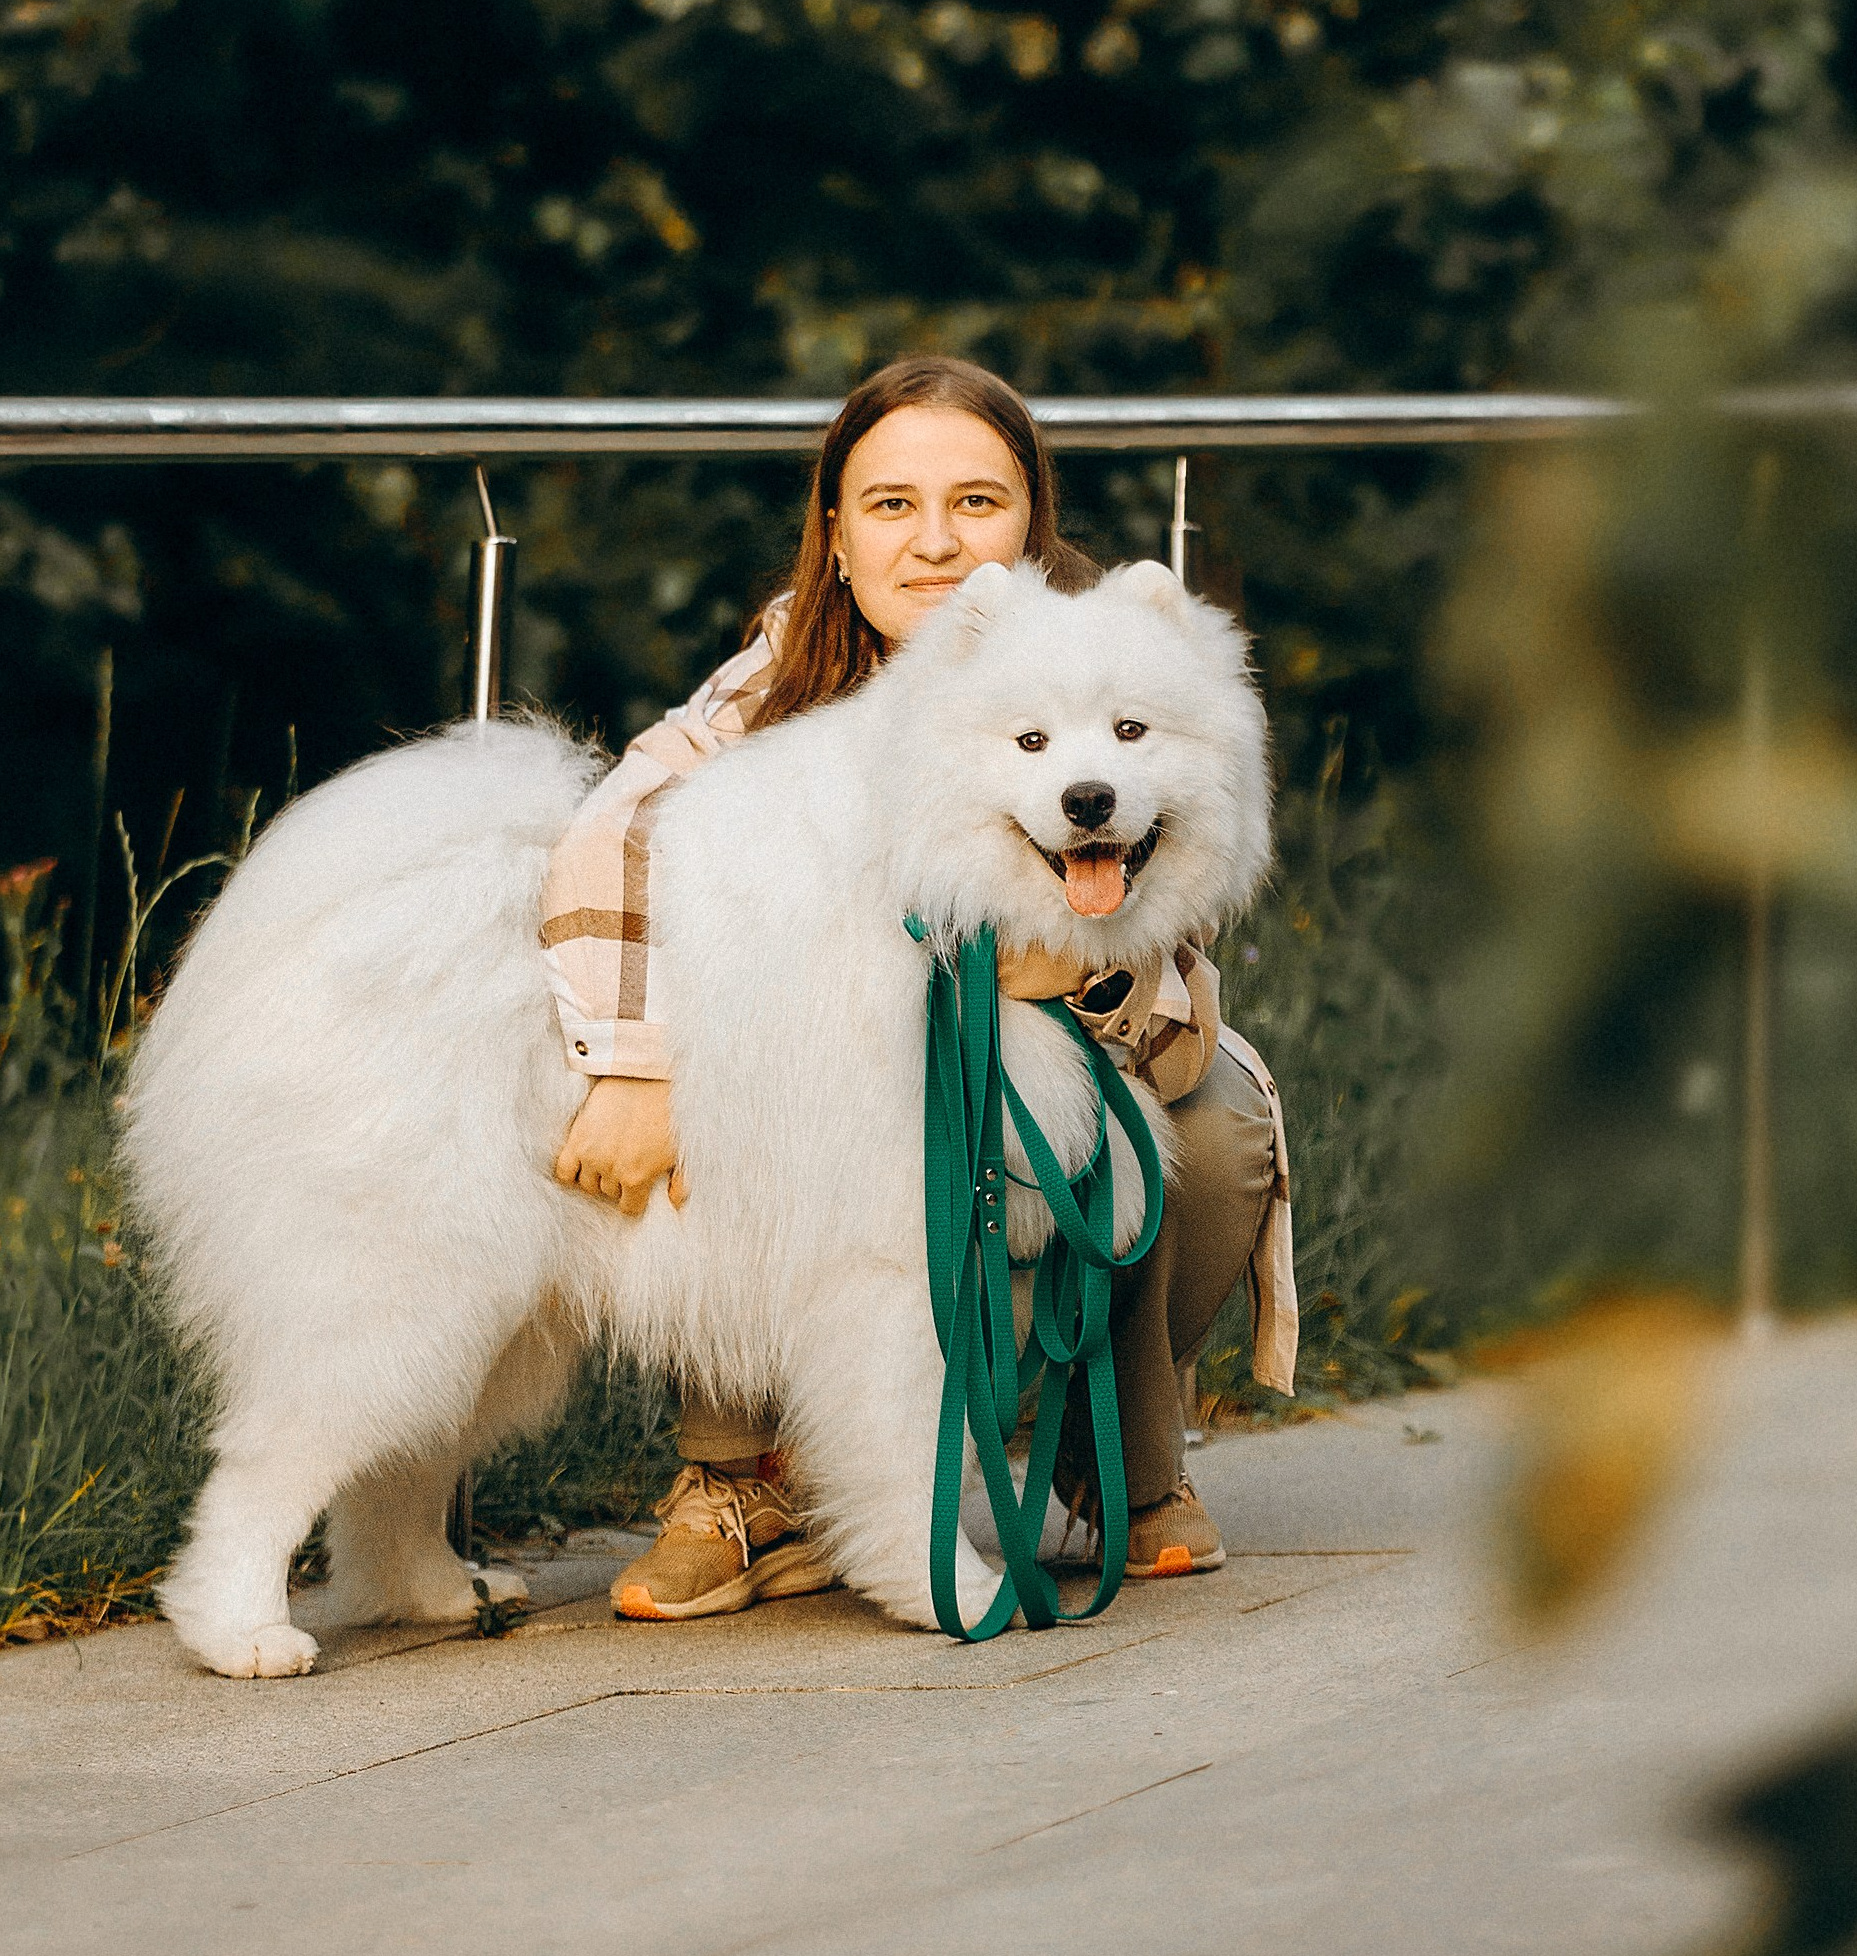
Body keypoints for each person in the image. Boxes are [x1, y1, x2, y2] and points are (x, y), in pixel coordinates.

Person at [539, 356, 1297, 1623]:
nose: (936, 541)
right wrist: (639, 1056)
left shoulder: (1100, 665)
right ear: (833, 536)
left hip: (1030, 1094)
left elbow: (1171, 1010)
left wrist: (1079, 979)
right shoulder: (773, 682)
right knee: (787, 1117)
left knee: (1209, 1125)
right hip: (813, 1095)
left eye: (976, 502)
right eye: (891, 504)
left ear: (1030, 526)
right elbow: (611, 837)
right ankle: (750, 1479)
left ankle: (1091, 1448)